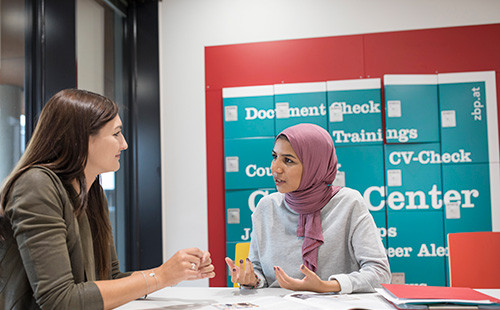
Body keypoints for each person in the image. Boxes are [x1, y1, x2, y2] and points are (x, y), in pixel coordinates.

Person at [0, 89, 215, 309]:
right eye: (116, 134)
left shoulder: (92, 194)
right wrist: (160, 276)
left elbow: (109, 280)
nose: (124, 144)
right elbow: (59, 301)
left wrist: (173, 273)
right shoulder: (36, 185)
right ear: (81, 139)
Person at [225, 123, 390, 293]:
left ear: (315, 165)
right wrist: (251, 280)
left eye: (288, 160)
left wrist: (327, 286)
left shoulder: (349, 203)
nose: (275, 168)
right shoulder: (266, 207)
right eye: (275, 157)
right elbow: (258, 270)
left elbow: (380, 273)